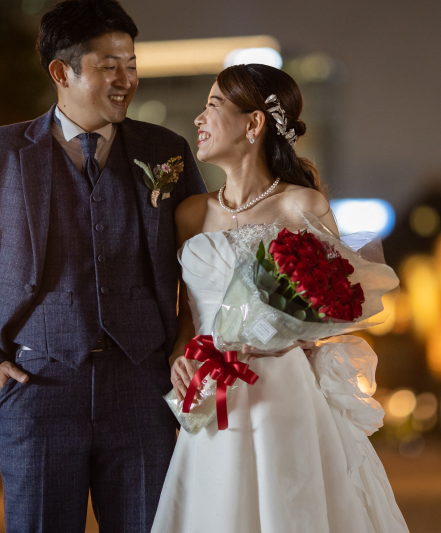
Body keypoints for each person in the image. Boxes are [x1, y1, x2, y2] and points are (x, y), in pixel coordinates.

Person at [0, 0, 206, 530]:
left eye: (131, 63)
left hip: (143, 389)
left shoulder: (165, 151)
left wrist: (187, 348)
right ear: (62, 71)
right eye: (109, 65)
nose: (127, 79)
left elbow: (202, 264)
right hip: (36, 388)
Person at [152, 63, 409, 532]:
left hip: (283, 389)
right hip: (213, 393)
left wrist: (297, 334)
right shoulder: (189, 213)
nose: (198, 119)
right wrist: (179, 354)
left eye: (213, 105)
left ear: (253, 124)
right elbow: (185, 315)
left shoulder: (302, 206)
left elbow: (336, 303)